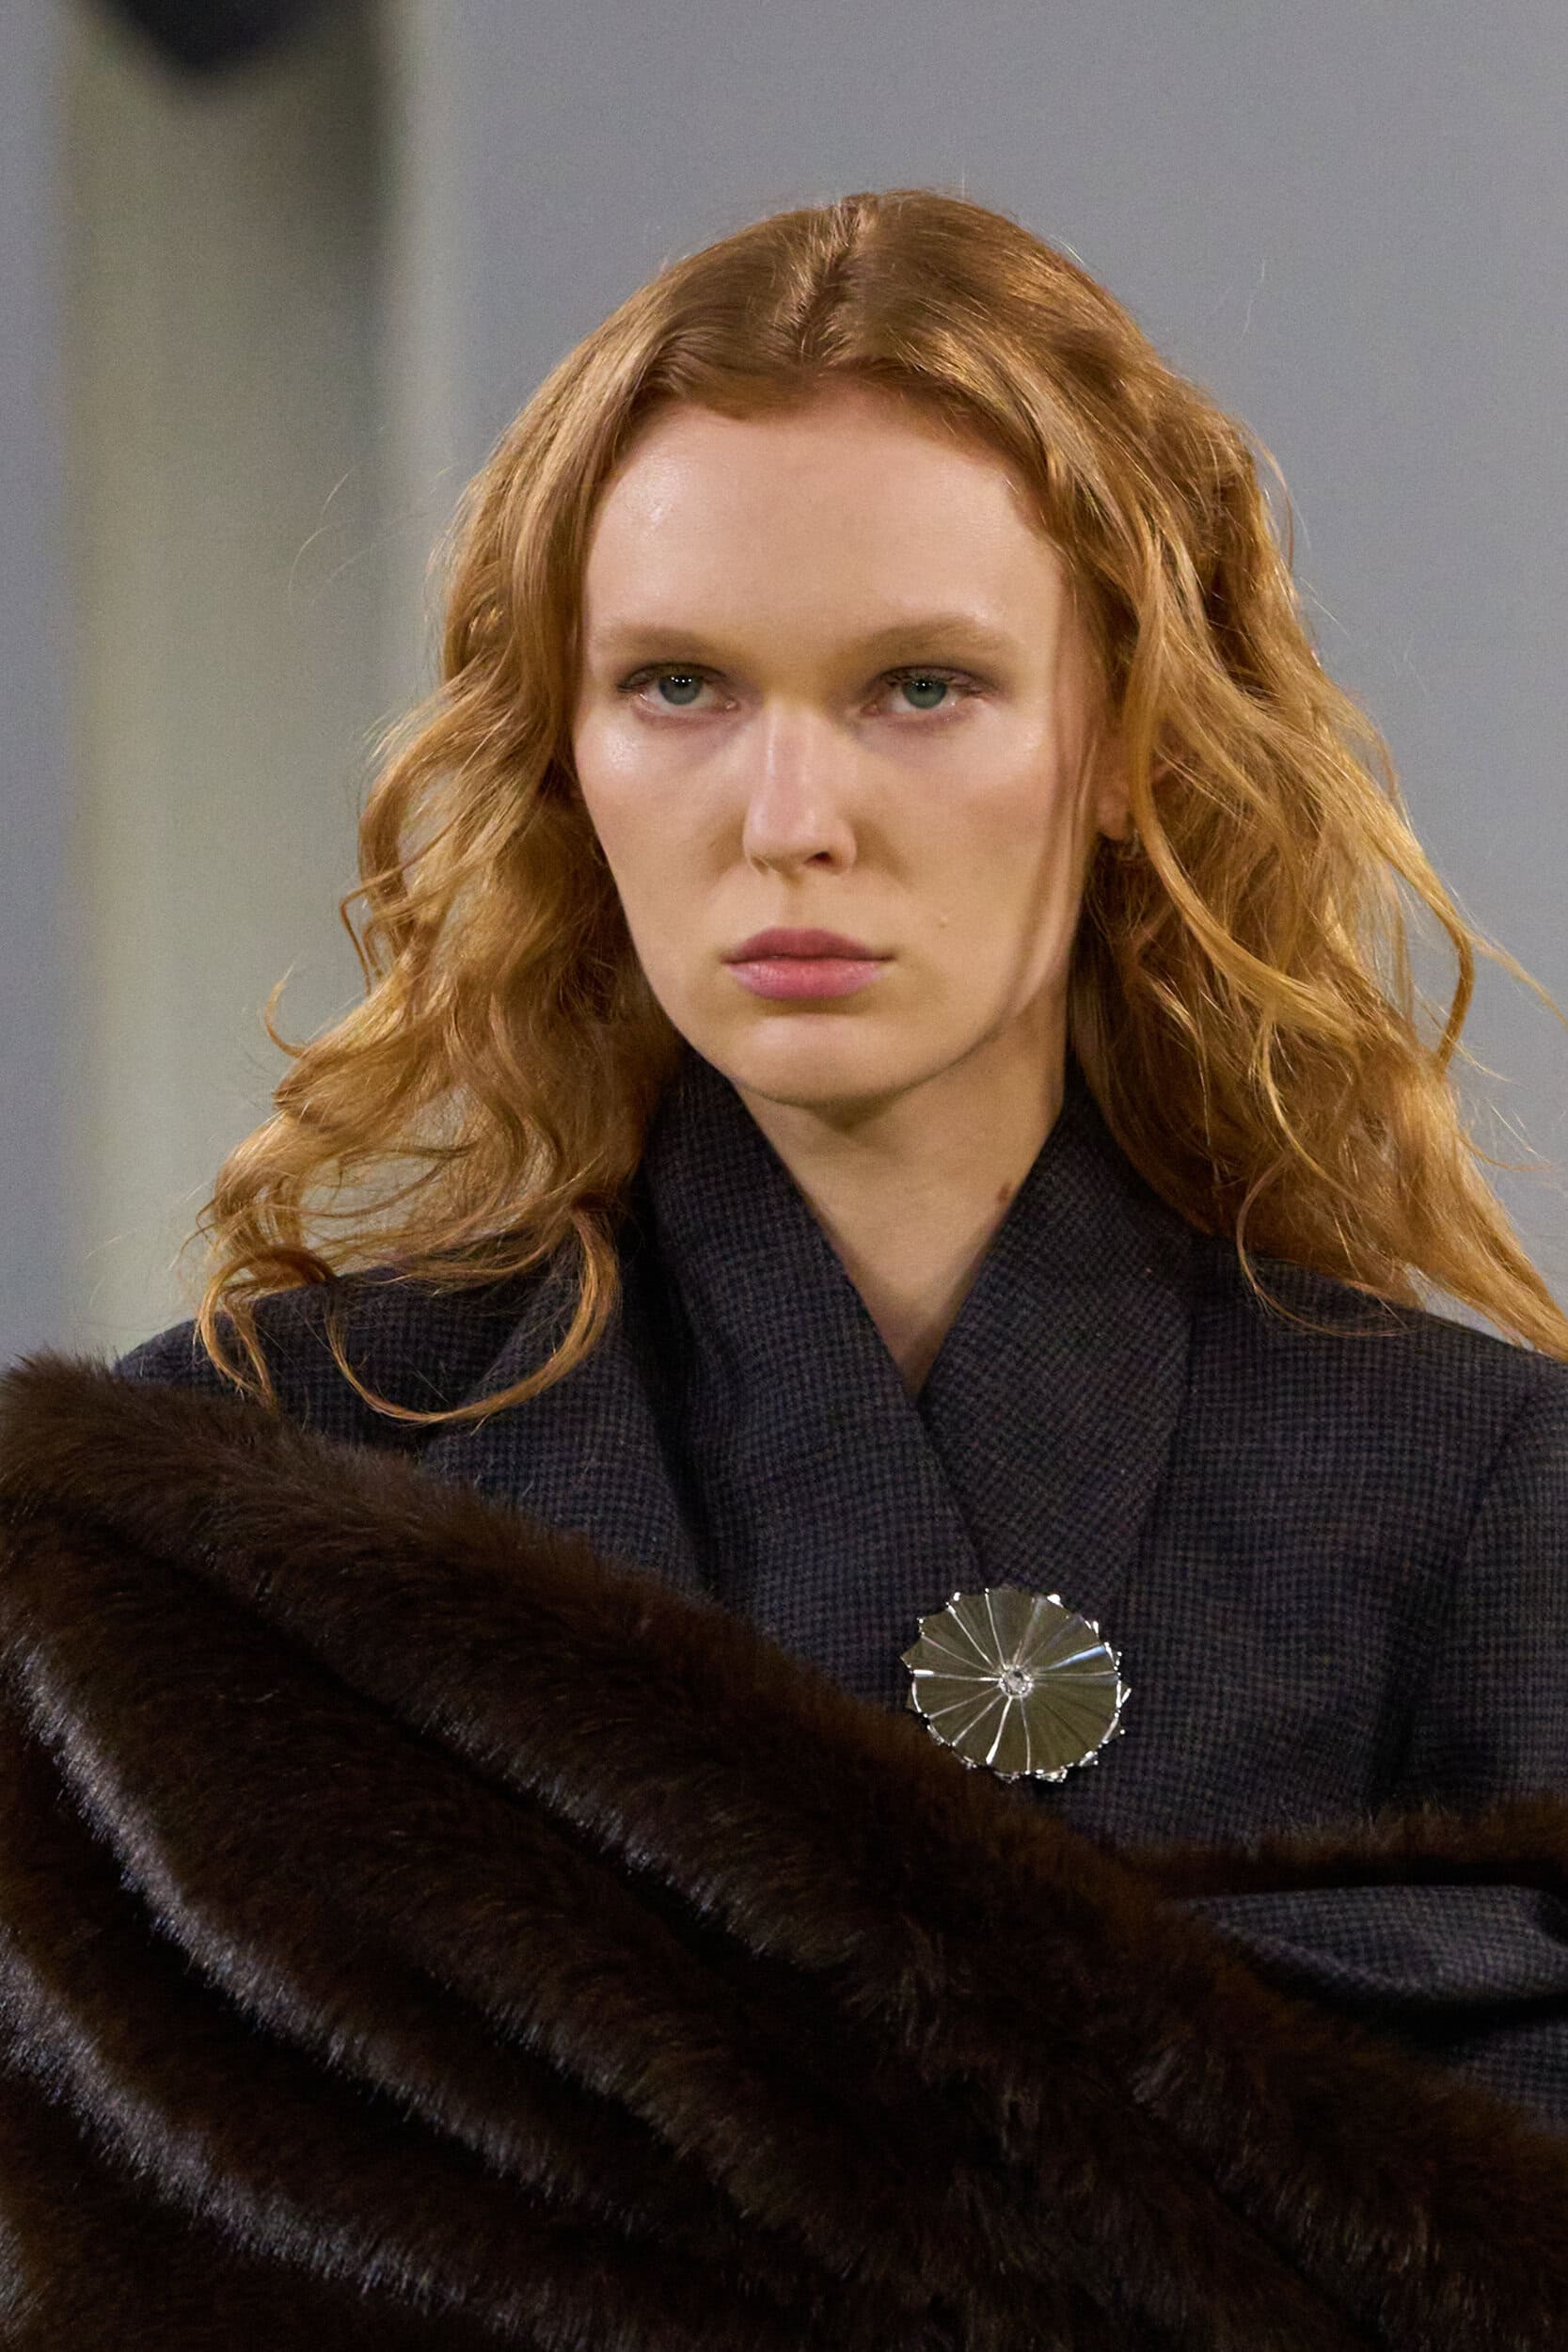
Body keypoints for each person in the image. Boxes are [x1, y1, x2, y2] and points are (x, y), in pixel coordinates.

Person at [2, 184, 1566, 2351]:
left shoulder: (1479, 1493)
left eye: (923, 685)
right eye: (679, 686)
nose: (791, 812)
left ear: (1126, 737)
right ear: (564, 746)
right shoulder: (239, 1490)